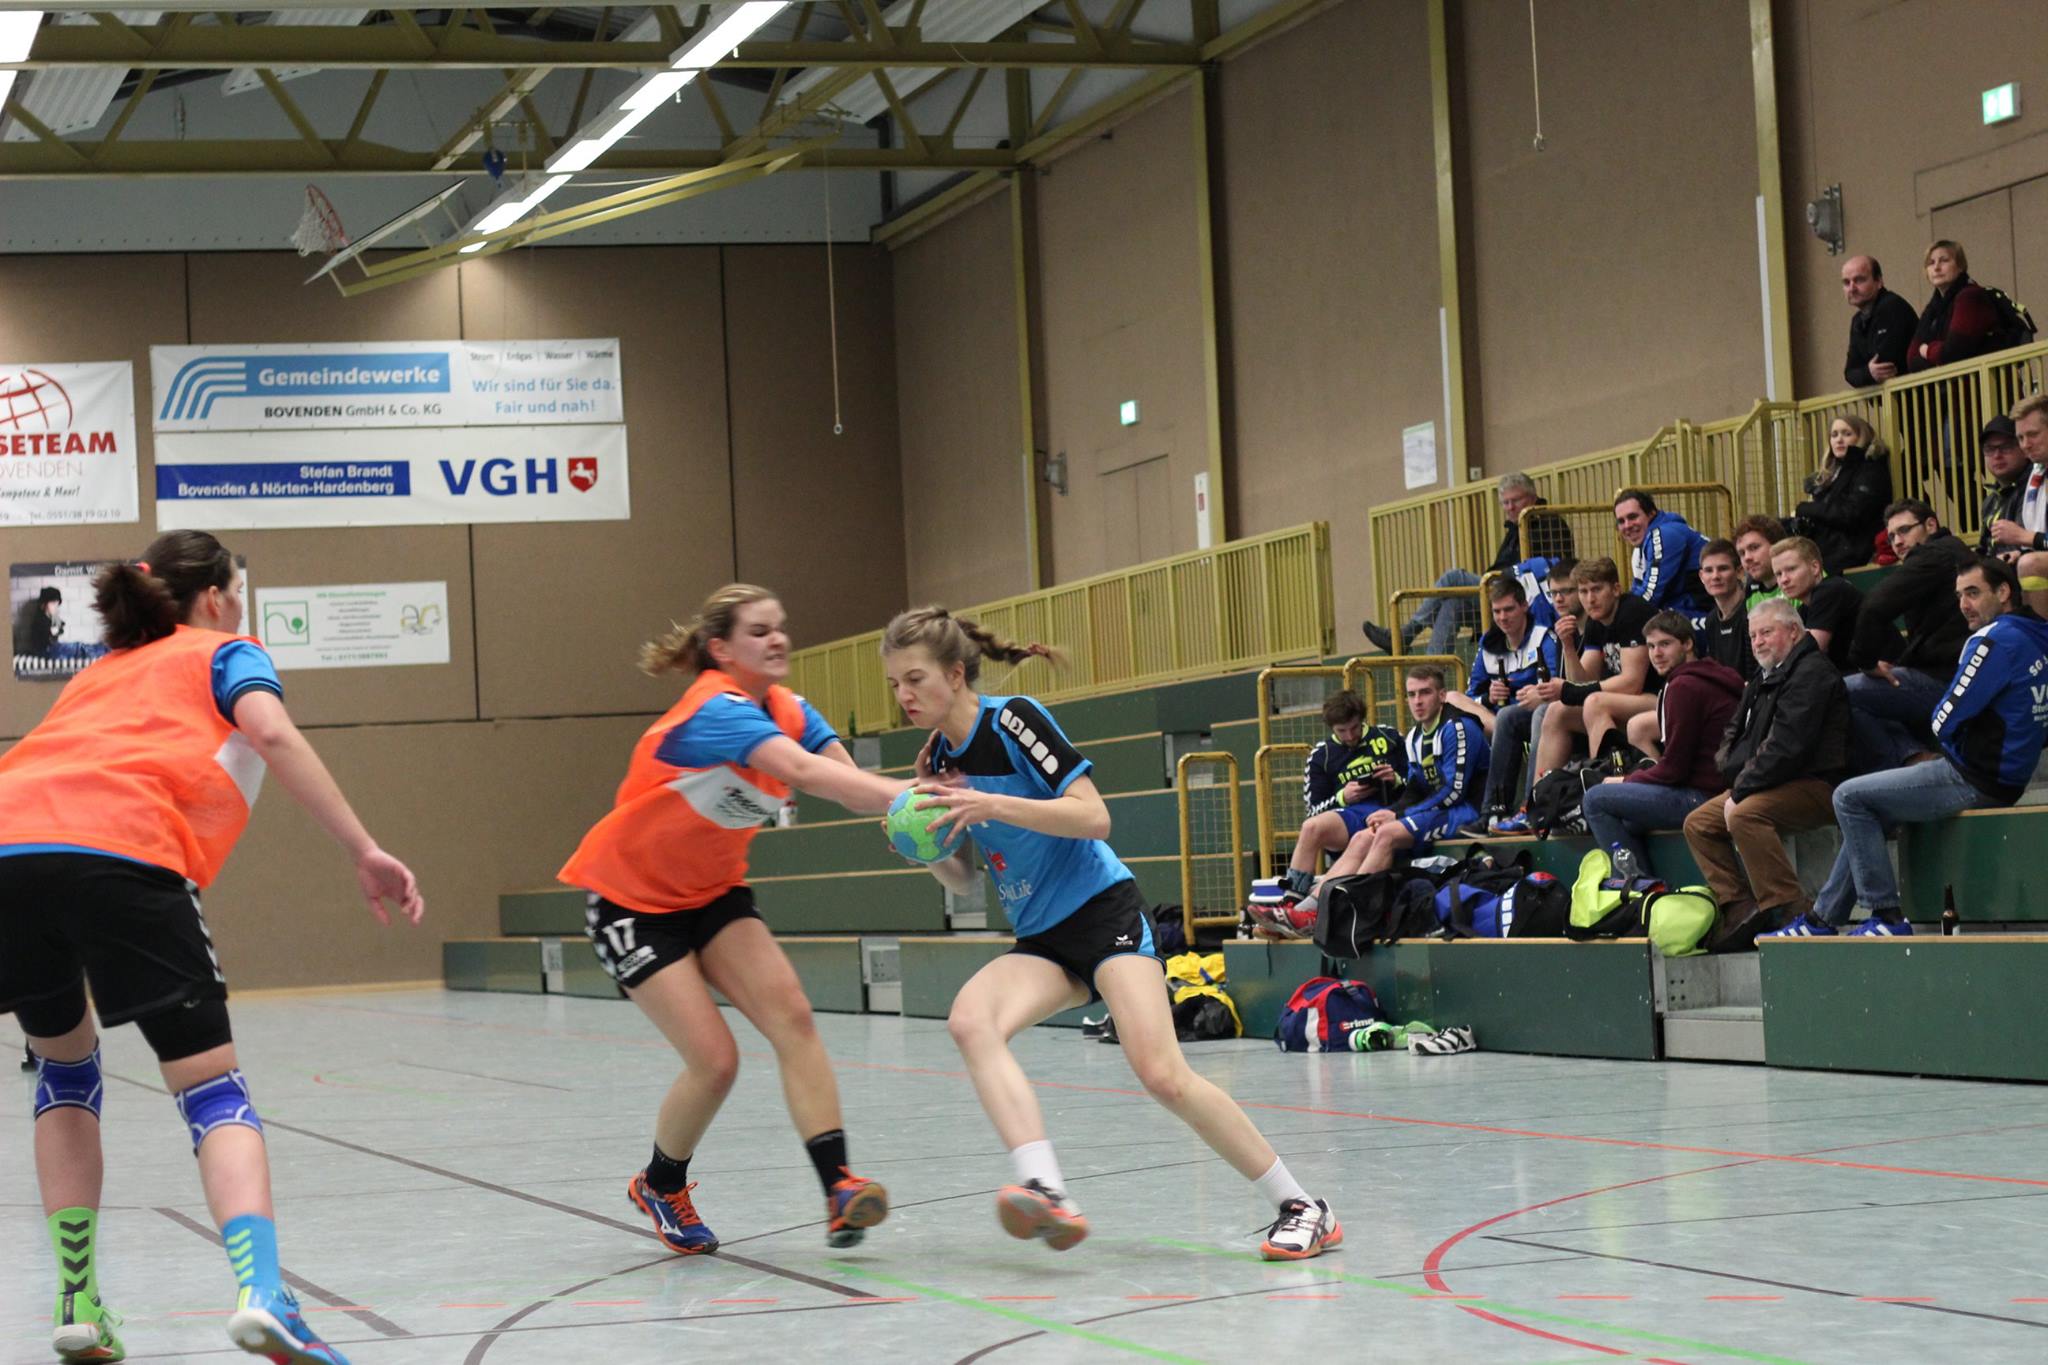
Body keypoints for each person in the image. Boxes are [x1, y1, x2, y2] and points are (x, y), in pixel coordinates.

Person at [0, 530, 425, 1365]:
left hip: (9, 855)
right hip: (122, 851)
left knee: (64, 1070)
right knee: (209, 1088)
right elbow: (272, 734)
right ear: (217, 596)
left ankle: (77, 1301)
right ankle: (264, 1293)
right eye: (236, 590)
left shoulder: (97, 672)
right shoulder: (227, 651)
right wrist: (364, 849)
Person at [884, 607, 1341, 1262]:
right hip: (1041, 936)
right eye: (895, 683)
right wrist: (923, 845)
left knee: (1162, 1074)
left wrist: (990, 803)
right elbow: (962, 881)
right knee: (970, 1021)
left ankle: (1302, 1206)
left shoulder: (1014, 721)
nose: (903, 695)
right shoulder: (938, 757)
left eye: (915, 678)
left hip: (1103, 912)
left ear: (955, 674)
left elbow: (1094, 816)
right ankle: (1046, 1188)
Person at [559, 584, 911, 1260]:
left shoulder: (790, 708)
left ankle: (839, 1190)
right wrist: (912, 794)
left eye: (780, 627)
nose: (777, 639)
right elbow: (805, 772)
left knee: (794, 1018)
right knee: (716, 1061)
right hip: (631, 901)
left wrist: (915, 817)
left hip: (712, 894)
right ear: (720, 648)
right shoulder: (716, 711)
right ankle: (660, 1184)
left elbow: (850, 784)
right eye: (758, 631)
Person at [1766, 557, 2048, 938]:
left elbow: (1946, 716)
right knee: (1871, 807)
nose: (1964, 604)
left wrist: (1948, 738)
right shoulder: (2036, 634)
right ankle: (1822, 918)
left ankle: (1885, 914)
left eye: (1973, 593)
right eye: (1959, 595)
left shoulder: (1994, 640)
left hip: (1973, 777)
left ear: (2003, 592)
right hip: (2006, 776)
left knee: (1849, 797)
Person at [1681, 598, 1850, 949]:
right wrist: (1730, 767)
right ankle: (1740, 906)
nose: (1757, 642)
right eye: (1753, 635)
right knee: (1698, 824)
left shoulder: (1812, 673)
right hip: (1770, 782)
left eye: (1766, 633)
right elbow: (1733, 731)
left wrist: (1741, 789)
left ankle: (1792, 909)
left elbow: (1788, 748)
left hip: (1817, 784)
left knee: (1745, 815)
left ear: (1793, 632)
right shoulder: (1764, 676)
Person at [1581, 611, 1743, 880]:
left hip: (1702, 796)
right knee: (1628, 819)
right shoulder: (1712, 674)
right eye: (1651, 646)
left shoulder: (1684, 686)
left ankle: (1638, 888)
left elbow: (1674, 770)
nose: (1656, 654)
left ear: (1687, 644)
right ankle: (1646, 885)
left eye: (1665, 644)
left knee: (1595, 799)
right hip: (1720, 789)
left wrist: (1626, 780)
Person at [1509, 558, 1656, 824]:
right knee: (1557, 711)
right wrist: (1567, 645)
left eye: (1596, 589)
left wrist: (1571, 691)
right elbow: (1583, 679)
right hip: (1625, 702)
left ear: (1615, 589)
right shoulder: (1596, 622)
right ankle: (1537, 804)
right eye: (1584, 591)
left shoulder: (1632, 612)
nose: (1590, 599)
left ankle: (1599, 796)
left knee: (1594, 702)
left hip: (1657, 700)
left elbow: (1632, 682)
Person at [1363, 472, 1573, 655]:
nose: (1510, 507)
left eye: (1515, 500)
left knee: (1454, 578)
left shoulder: (1550, 524)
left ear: (1532, 497)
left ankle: (1405, 635)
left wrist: (1505, 578)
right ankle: (1431, 670)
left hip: (1528, 598)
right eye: (1505, 503)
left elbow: (1552, 571)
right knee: (1453, 605)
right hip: (1501, 593)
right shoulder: (1514, 529)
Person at [1322, 663, 1488, 877]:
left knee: (1386, 834)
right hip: (1438, 810)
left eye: (1425, 692)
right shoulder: (1414, 737)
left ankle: (1352, 897)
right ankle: (1320, 897)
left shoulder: (1458, 727)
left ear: (1442, 695)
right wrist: (1393, 811)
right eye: (1411, 694)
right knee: (1362, 837)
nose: (1417, 701)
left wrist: (1400, 815)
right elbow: (1415, 789)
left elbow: (1454, 792)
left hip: (1468, 811)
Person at [1844, 500, 1973, 772]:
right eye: (1891, 536)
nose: (1897, 542)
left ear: (1931, 525)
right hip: (1954, 675)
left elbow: (1875, 606)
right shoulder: (1951, 552)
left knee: (1840, 693)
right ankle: (1911, 756)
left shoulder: (1934, 555)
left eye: (1904, 530)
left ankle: (1910, 760)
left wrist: (1865, 662)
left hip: (1947, 680)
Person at [1276, 689, 1403, 902]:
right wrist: (1342, 797)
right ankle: (1292, 900)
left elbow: (1419, 783)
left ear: (1362, 720)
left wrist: (1396, 779)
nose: (1350, 736)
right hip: (1349, 815)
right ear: (1332, 728)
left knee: (1363, 840)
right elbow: (1313, 811)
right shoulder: (1322, 755)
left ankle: (1312, 906)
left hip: (1390, 810)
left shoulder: (1389, 737)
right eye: (1342, 731)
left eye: (1354, 728)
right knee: (1311, 827)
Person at [1790, 414, 1892, 574]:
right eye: (1834, 434)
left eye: (1847, 434)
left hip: (1853, 558)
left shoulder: (1870, 469)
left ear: (1862, 437)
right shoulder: (1832, 473)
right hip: (1828, 555)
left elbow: (1850, 513)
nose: (1839, 440)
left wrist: (1805, 508)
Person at [1986, 394, 2048, 616]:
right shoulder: (2037, 474)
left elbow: (2036, 539)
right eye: (2020, 437)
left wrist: (2024, 538)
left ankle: (2040, 636)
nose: (2025, 445)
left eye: (2033, 435)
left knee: (2030, 565)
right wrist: (2020, 551)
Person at [1907, 240, 2007, 374]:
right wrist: (1939, 359)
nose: (1936, 267)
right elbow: (1912, 359)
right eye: (1931, 263)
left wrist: (1927, 350)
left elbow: (1953, 352)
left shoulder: (1970, 296)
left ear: (1960, 266)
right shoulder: (1933, 308)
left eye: (1944, 260)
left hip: (1987, 381)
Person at [1771, 536, 1863, 673]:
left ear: (1815, 567)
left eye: (1791, 569)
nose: (1784, 579)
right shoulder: (1803, 610)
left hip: (1883, 675)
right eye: (1778, 574)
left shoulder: (1830, 590)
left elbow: (1811, 653)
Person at [1615, 488, 1707, 614]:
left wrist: (1616, 613)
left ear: (1651, 513)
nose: (1627, 525)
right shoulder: (1641, 547)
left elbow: (1650, 595)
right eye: (1621, 521)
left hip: (1704, 613)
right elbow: (1637, 593)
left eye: (1633, 517)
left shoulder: (1664, 535)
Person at [1842, 254, 1920, 387]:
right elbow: (1849, 373)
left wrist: (1865, 373)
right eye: (1846, 282)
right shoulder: (1857, 320)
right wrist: (1869, 372)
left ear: (1878, 281)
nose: (1852, 288)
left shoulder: (1892, 306)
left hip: (1916, 394)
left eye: (1859, 280)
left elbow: (1886, 364)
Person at [1691, 538, 1755, 678]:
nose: (1715, 576)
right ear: (1701, 576)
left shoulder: (1753, 611)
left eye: (1723, 568)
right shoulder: (1711, 620)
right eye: (1709, 570)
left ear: (1739, 572)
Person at [1975, 415, 2031, 556]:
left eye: (2005, 447)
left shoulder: (2034, 489)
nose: (1997, 455)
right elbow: (1983, 550)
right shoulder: (1990, 502)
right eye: (1989, 449)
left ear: (2024, 450)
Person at [1732, 515, 1787, 606]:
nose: (1747, 558)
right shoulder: (1750, 594)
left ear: (1777, 545)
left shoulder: (1799, 586)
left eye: (1754, 548)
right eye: (1742, 553)